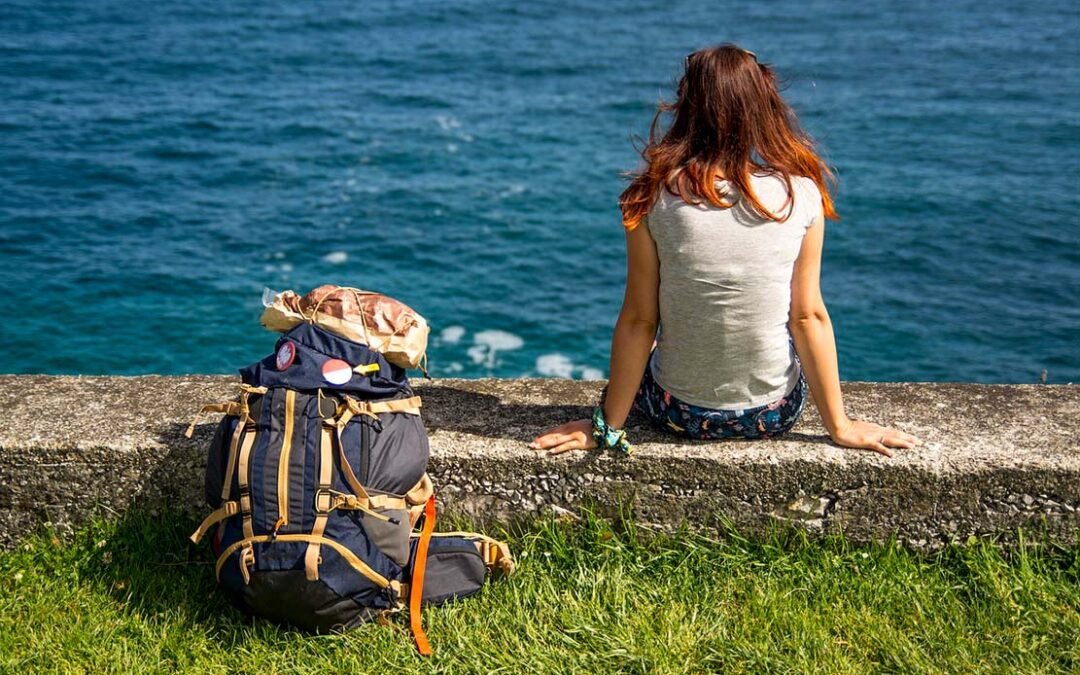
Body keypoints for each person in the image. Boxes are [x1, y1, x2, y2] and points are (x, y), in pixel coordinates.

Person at [531, 44, 920, 456]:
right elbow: (807, 316)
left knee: (658, 353)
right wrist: (839, 426)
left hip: (678, 413)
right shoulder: (802, 195)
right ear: (764, 107)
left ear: (686, 106)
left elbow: (640, 321)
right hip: (772, 414)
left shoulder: (649, 198)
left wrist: (606, 427)